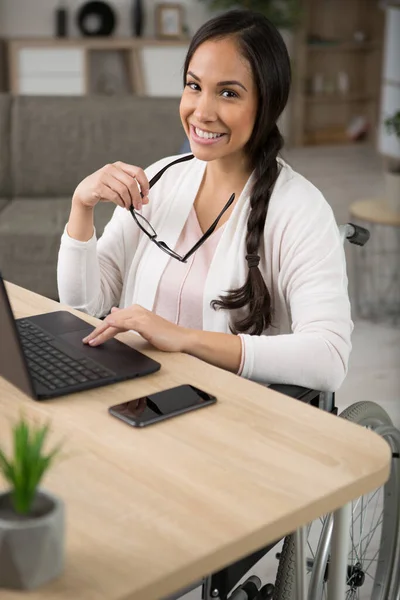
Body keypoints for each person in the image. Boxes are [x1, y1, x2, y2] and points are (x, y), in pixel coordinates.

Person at [57, 9, 352, 392]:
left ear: (268, 103)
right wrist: (82, 205)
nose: (202, 111)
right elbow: (85, 307)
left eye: (228, 93)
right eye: (194, 86)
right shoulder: (161, 178)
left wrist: (183, 338)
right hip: (134, 396)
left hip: (229, 417)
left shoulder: (301, 210)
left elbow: (329, 358)